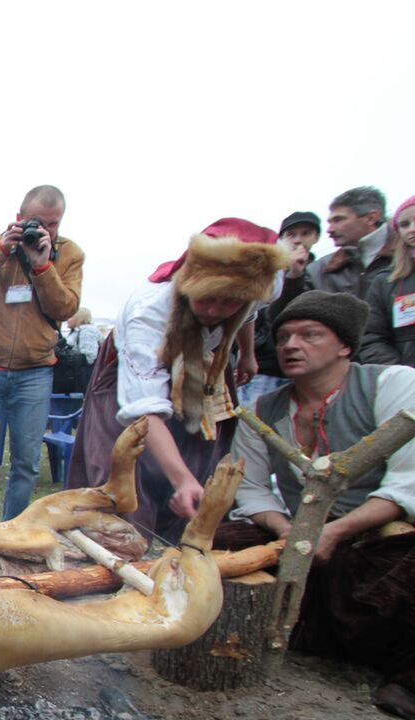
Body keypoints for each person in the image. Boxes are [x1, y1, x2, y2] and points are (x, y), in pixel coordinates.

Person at [219, 290, 415, 720]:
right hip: (298, 527)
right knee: (223, 541)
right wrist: (287, 530)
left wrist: (337, 531)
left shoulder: (393, 384)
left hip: (378, 529)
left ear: (344, 345)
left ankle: (407, 677)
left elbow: (408, 482)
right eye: (285, 336)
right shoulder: (263, 409)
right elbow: (250, 489)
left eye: (310, 335)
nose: (291, 345)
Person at [66, 218, 288, 546]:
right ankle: (115, 567)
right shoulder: (148, 312)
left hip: (202, 370)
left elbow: (250, 312)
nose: (214, 310)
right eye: (206, 297)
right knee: (124, 480)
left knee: (203, 471)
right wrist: (181, 479)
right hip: (127, 386)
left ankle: (186, 561)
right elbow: (145, 411)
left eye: (228, 301)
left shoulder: (267, 285)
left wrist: (248, 353)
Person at [0, 185, 84, 524]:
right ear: (20, 219)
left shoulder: (70, 255)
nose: (46, 231)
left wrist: (43, 267)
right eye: (39, 223)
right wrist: (0, 251)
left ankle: (14, 536)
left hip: (36, 371)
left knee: (26, 463)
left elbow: (65, 307)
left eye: (54, 224)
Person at [242, 210, 323, 406]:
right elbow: (258, 314)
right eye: (291, 234)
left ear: (316, 237)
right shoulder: (268, 270)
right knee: (256, 425)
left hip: (309, 367)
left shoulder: (322, 271)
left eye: (305, 234)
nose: (298, 240)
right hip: (267, 367)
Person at [309, 187, 392, 313]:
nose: (329, 230)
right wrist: (293, 278)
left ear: (371, 218)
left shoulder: (408, 257)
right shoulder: (318, 270)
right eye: (330, 222)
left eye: (338, 220)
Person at [361, 194, 415, 367]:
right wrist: (399, 375)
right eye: (404, 225)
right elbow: (371, 338)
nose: (411, 229)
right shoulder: (385, 281)